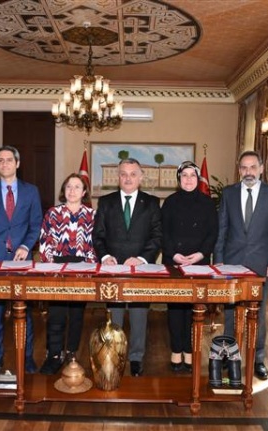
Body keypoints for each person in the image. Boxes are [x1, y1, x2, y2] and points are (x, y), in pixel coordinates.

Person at [213, 150, 268, 381]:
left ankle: (258, 359)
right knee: (230, 312)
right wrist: (219, 259)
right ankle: (228, 354)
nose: (248, 172)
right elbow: (222, 228)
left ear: (261, 168)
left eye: (253, 167)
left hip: (261, 265)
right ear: (239, 170)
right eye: (244, 167)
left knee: (259, 313)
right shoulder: (229, 193)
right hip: (231, 262)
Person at [0, 145, 42, 374]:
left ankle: (27, 357)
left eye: (9, 160)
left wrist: (26, 245)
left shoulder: (31, 191)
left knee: (24, 311)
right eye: (0, 160)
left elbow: (36, 224)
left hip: (21, 260)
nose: (4, 164)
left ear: (17, 163)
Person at [93, 158, 162, 377]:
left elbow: (157, 236)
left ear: (140, 177)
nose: (128, 178)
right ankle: (114, 355)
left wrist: (142, 258)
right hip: (113, 269)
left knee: (139, 315)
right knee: (114, 317)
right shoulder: (106, 202)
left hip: (140, 269)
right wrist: (105, 257)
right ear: (118, 177)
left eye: (133, 174)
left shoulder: (151, 203)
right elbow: (98, 235)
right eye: (123, 174)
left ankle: (136, 358)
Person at [161, 161, 218, 372]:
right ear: (179, 179)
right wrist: (174, 254)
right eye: (184, 175)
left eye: (192, 175)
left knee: (195, 309)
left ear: (198, 178)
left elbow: (213, 233)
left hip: (199, 263)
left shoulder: (208, 203)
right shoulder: (170, 202)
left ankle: (191, 350)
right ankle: (177, 350)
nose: (188, 179)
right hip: (174, 262)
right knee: (176, 309)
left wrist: (201, 254)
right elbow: (162, 232)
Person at [38, 173, 97, 375]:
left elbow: (95, 245)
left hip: (82, 270)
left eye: (77, 187)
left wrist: (88, 267)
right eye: (69, 187)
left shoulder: (91, 215)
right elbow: (44, 241)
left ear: (84, 191)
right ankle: (54, 355)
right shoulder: (53, 213)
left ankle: (72, 352)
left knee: (77, 314)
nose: (72, 191)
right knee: (56, 313)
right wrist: (52, 266)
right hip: (56, 269)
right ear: (64, 190)